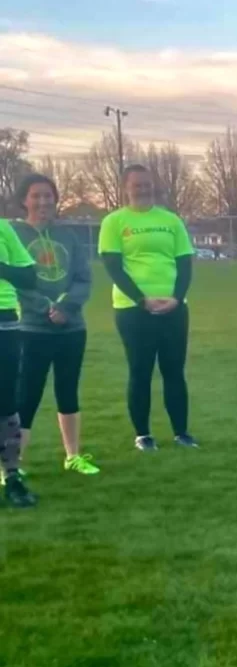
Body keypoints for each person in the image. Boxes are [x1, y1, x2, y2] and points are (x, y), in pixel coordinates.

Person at [98, 164, 197, 451]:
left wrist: (177, 298)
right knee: (140, 371)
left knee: (174, 370)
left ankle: (181, 433)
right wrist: (142, 299)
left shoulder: (171, 221)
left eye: (147, 184)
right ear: (125, 188)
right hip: (133, 310)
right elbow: (113, 267)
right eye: (137, 184)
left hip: (174, 308)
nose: (143, 189)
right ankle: (143, 435)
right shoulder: (114, 222)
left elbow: (184, 264)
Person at [11, 174, 99, 476]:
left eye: (48, 195)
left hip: (71, 328)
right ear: (25, 200)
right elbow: (15, 280)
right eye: (36, 195)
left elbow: (83, 279)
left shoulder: (69, 237)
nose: (43, 201)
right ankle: (14, 465)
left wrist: (66, 307)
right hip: (31, 329)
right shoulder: (13, 234)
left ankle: (73, 455)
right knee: (27, 396)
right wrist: (45, 308)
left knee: (68, 391)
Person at [0, 218, 38, 506]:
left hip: (5, 323)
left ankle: (12, 478)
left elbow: (29, 277)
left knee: (6, 403)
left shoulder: (3, 228)